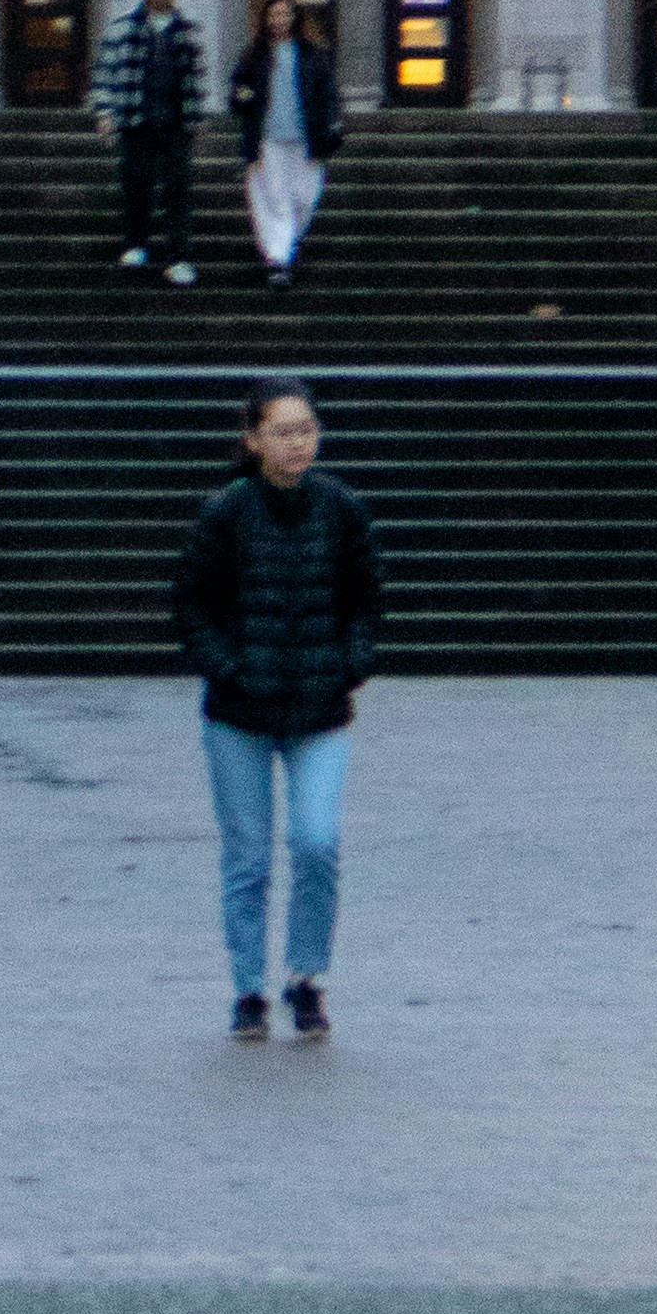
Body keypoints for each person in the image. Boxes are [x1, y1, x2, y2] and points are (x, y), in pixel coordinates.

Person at [171, 377, 382, 1043]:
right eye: (284, 431)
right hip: (240, 711)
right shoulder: (226, 514)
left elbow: (365, 600)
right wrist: (228, 667)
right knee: (249, 858)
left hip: (320, 709)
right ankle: (250, 989)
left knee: (317, 843)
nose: (299, 442)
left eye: (307, 429)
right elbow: (192, 603)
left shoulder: (342, 509)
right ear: (253, 439)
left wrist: (351, 663)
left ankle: (308, 977)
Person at [92, 0, 208, 287]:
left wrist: (196, 119)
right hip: (136, 118)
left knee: (178, 191)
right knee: (136, 186)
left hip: (175, 121)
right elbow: (105, 72)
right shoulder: (123, 27)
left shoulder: (188, 29)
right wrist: (105, 111)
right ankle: (135, 244)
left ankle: (180, 256)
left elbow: (196, 78)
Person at [226, 0, 344, 290]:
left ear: (295, 17)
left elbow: (328, 95)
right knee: (275, 200)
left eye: (285, 14)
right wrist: (243, 96)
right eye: (274, 14)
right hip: (268, 139)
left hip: (306, 138)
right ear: (266, 19)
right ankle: (278, 261)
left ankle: (287, 242)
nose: (280, 20)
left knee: (305, 198)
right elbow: (236, 94)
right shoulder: (255, 55)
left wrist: (332, 125)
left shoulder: (313, 55)